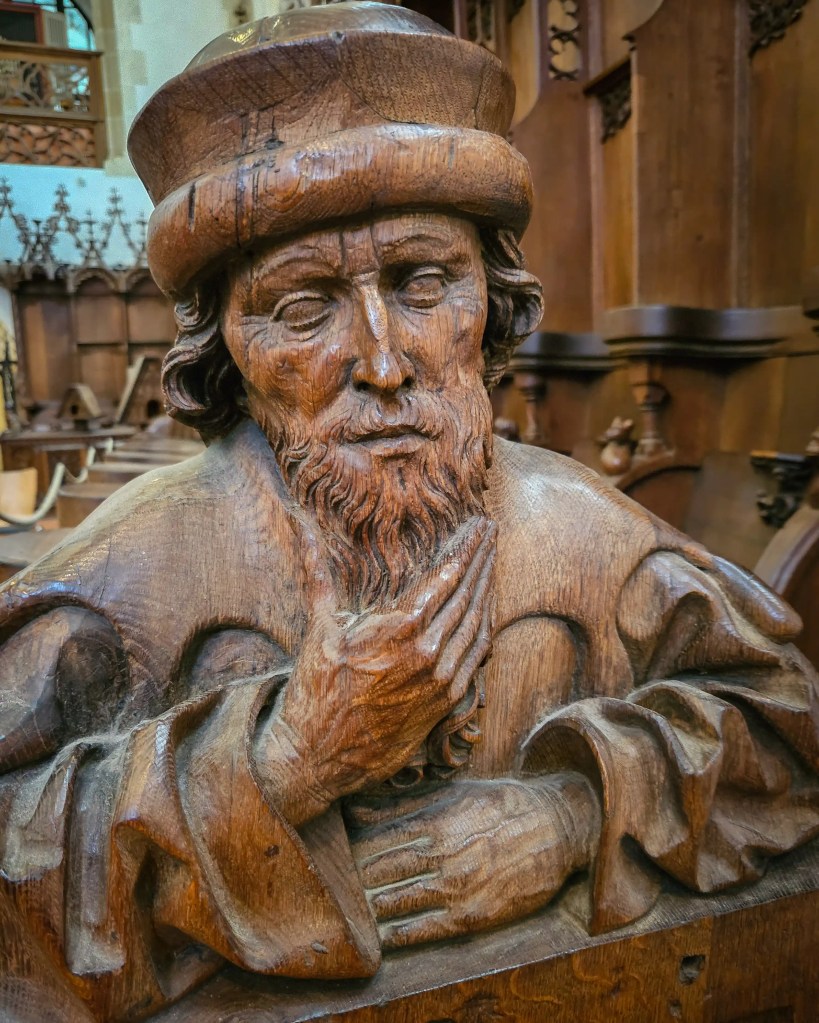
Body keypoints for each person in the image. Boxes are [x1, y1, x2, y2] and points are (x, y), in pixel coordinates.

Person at [1, 5, 818, 1021]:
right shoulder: (126, 577)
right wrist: (283, 762)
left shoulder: (589, 534)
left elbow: (785, 725)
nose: (384, 364)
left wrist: (572, 814)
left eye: (425, 283)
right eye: (303, 310)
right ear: (229, 355)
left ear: (493, 303)